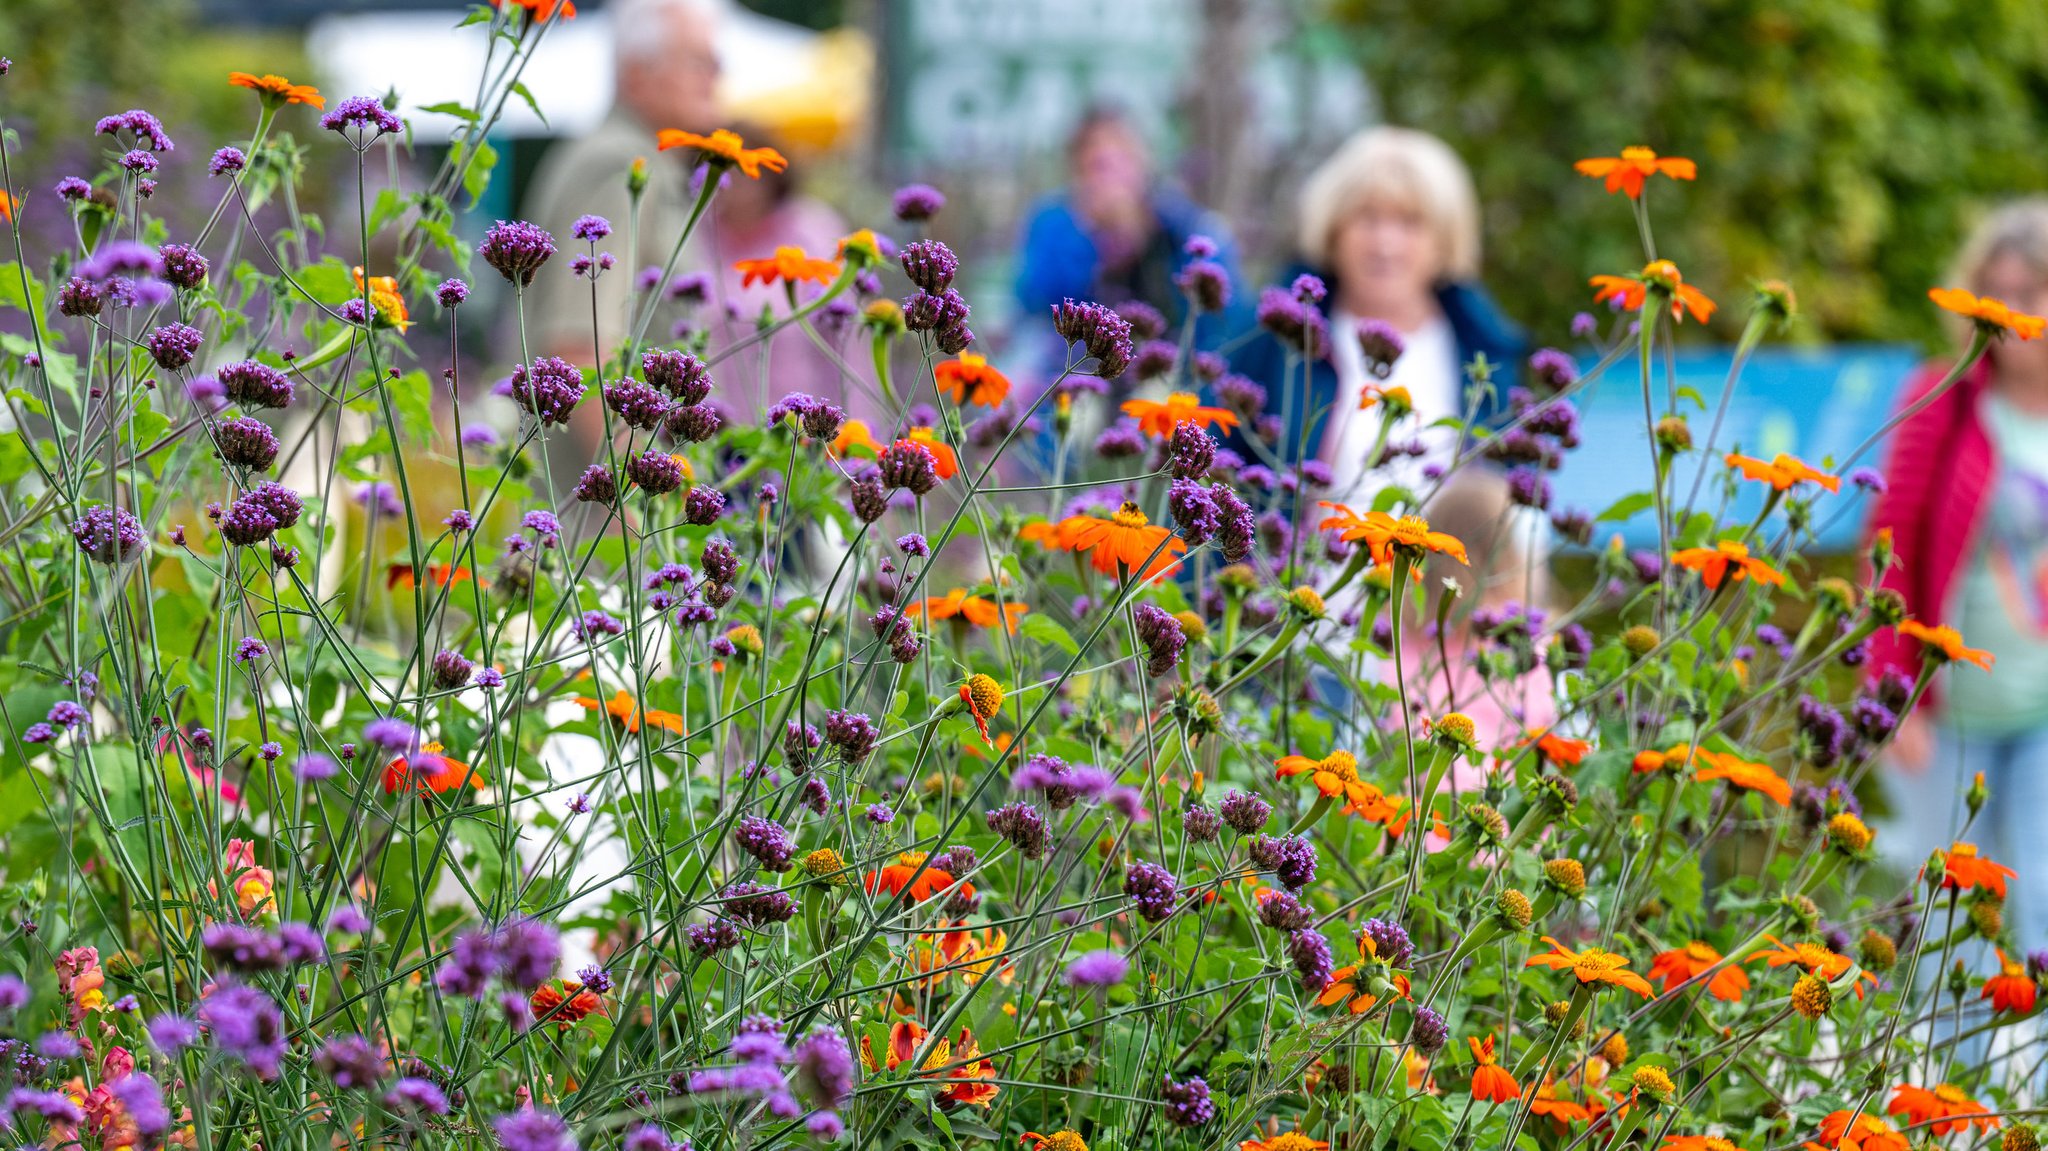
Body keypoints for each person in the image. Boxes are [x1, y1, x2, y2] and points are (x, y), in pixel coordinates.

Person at [1870, 198, 2048, 954]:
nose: (2009, 314)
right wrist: (1891, 692)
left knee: (2040, 896)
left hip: (2042, 706)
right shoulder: (1942, 399)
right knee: (1952, 922)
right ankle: (1952, 1078)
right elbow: (1891, 542)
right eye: (1995, 291)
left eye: (2029, 294)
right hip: (1952, 710)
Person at [1229, 127, 1526, 501]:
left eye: (1410, 222)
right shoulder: (1277, 337)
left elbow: (1511, 497)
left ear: (1445, 239)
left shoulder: (1484, 347)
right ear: (1333, 231)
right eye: (1367, 219)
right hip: (1304, 558)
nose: (1385, 243)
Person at [524, 0, 722, 362]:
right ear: (636, 73)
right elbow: (579, 352)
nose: (715, 76)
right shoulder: (619, 163)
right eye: (697, 62)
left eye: (716, 63)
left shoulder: (646, 161)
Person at [1013, 107, 1243, 368]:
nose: (1109, 178)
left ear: (1143, 161)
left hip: (1170, 373)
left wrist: (1141, 238)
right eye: (1096, 165)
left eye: (1121, 158)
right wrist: (1090, 239)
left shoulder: (1185, 225)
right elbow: (1034, 304)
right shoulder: (1053, 223)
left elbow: (1222, 316)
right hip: (1074, 373)